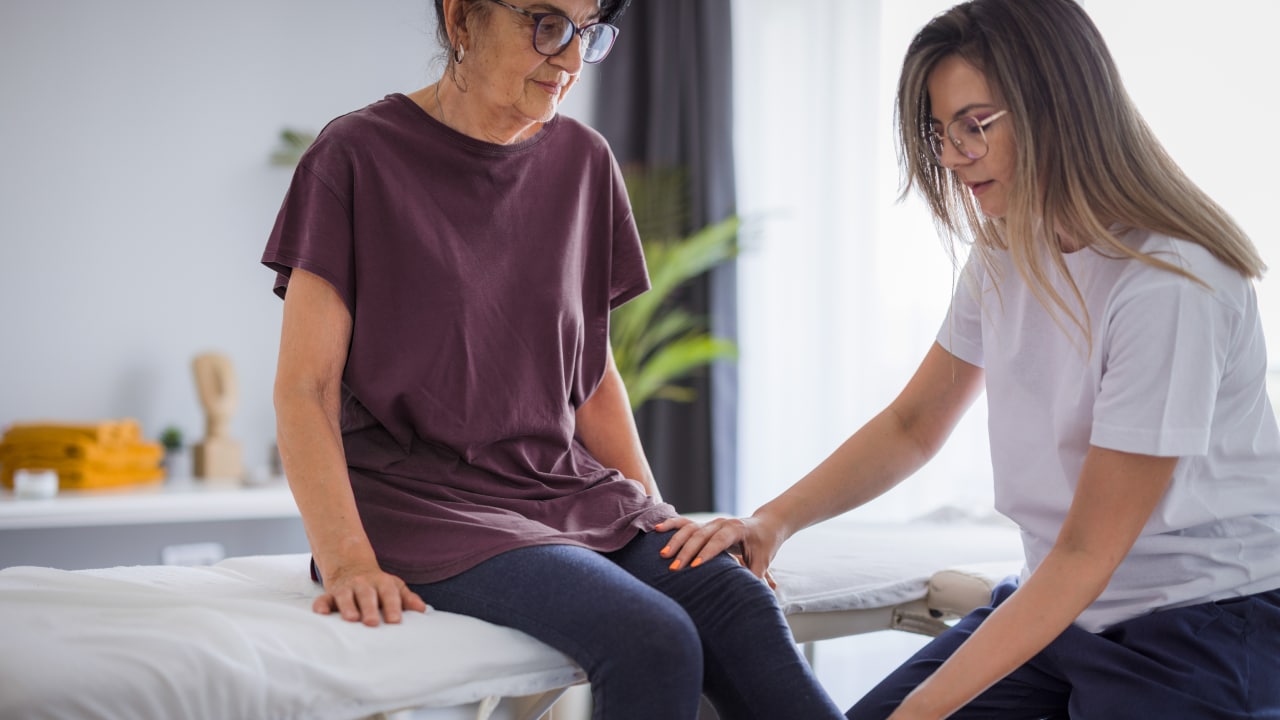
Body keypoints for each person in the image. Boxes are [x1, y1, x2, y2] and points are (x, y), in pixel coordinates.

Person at [663, 0, 1280, 718]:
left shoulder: (1172, 282)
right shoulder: (1009, 247)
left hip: (1199, 621)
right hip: (1061, 606)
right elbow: (914, 424)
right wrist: (772, 522)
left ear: (1059, 107)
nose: (954, 157)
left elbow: (1087, 552)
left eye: (975, 126)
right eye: (942, 133)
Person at [261, 1, 844, 718]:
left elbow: (591, 378)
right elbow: (305, 388)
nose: (570, 57)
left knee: (735, 600)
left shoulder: (584, 162)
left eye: (588, 29)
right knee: (653, 638)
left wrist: (656, 518)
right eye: (545, 24)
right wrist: (348, 559)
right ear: (462, 19)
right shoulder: (354, 155)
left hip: (564, 489)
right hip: (419, 504)